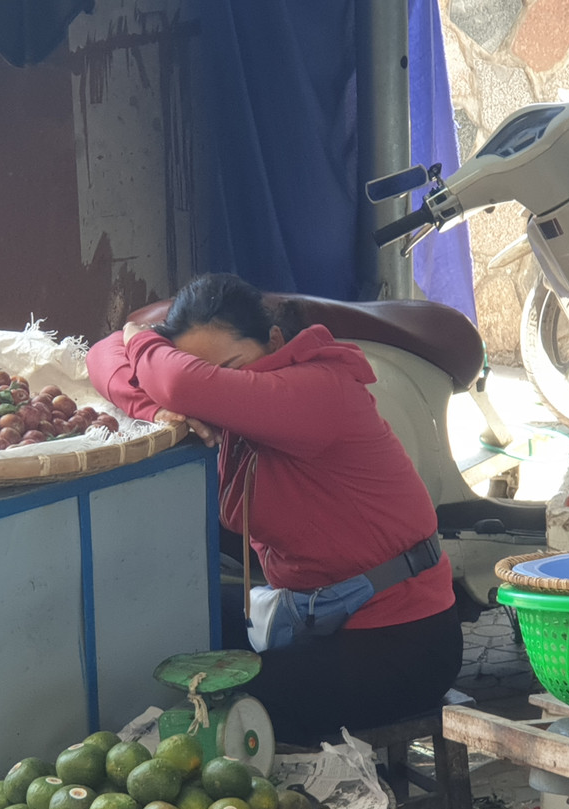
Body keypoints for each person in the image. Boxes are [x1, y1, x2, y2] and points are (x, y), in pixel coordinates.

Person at [87, 272, 463, 747]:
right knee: (174, 618)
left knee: (227, 713)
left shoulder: (317, 390)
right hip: (307, 616)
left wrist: (144, 345)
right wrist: (154, 407)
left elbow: (183, 382)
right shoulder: (236, 406)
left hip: (402, 640)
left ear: (275, 340)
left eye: (228, 368)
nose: (218, 390)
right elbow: (101, 354)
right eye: (209, 377)